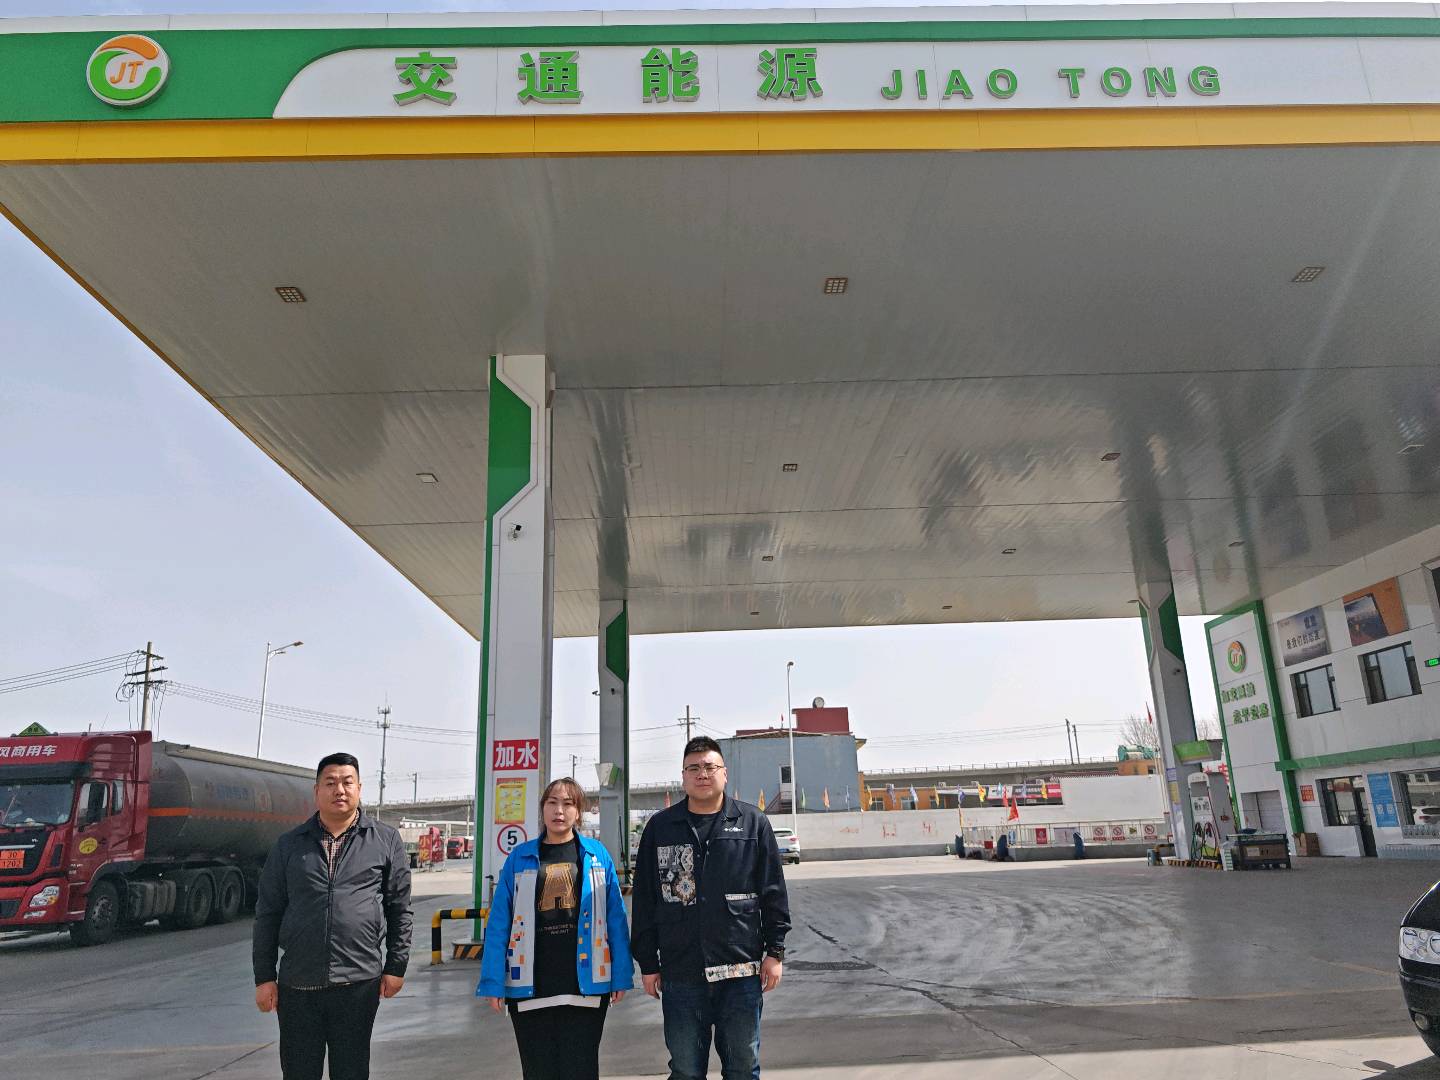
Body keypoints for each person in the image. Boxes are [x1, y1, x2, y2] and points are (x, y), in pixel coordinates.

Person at [632, 736, 791, 1080]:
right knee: (686, 1070)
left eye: (709, 766)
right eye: (694, 768)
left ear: (724, 773)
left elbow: (773, 893)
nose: (702, 774)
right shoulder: (661, 828)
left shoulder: (752, 823)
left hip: (740, 973)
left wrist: (775, 952)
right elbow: (645, 899)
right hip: (681, 974)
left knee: (742, 1068)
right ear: (683, 777)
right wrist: (648, 963)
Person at [253, 753, 412, 1080]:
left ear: (359, 789)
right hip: (299, 983)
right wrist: (264, 976)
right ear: (316, 792)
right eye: (330, 783)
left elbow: (399, 908)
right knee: (299, 1071)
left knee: (351, 1071)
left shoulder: (384, 840)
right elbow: (268, 913)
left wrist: (396, 966)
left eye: (347, 782)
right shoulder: (289, 845)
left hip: (358, 982)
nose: (339, 790)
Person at [478, 777, 633, 1080]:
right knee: (537, 1070)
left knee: (581, 1069)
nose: (559, 810)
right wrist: (493, 980)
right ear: (542, 808)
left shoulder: (596, 856)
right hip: (530, 984)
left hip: (585, 985)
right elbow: (499, 924)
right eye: (552, 802)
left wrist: (621, 975)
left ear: (579, 812)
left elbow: (616, 919)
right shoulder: (519, 858)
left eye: (568, 803)